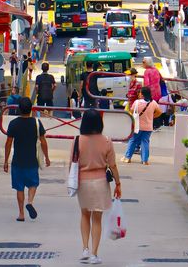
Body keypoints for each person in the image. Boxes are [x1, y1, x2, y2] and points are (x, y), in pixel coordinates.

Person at [74, 108, 122, 264]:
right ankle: (94, 254)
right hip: (101, 182)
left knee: (84, 215)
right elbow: (113, 165)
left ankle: (84, 249)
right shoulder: (107, 141)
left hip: (83, 183)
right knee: (97, 219)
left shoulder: (77, 140)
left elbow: (72, 164)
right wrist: (118, 183)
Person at [4, 96, 50, 221]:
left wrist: (5, 161)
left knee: (19, 188)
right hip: (32, 161)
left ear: (19, 109)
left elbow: (8, 143)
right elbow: (43, 142)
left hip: (17, 161)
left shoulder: (13, 124)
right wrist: (47, 157)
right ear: (31, 109)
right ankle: (30, 202)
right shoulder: (36, 123)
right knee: (33, 184)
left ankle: (21, 214)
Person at [122, 86, 162, 165]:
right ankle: (145, 160)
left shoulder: (137, 102)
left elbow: (132, 111)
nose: (139, 94)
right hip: (148, 127)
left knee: (133, 140)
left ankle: (127, 158)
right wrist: (152, 117)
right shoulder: (153, 102)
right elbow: (159, 112)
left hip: (137, 126)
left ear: (143, 94)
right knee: (145, 142)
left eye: (140, 93)